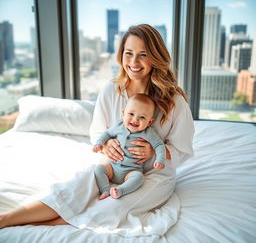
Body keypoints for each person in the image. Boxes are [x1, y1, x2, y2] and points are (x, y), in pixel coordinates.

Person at [0, 24, 194, 229]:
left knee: (114, 206)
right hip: (114, 165)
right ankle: (6, 220)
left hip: (154, 175)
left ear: (156, 57)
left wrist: (154, 152)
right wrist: (107, 144)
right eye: (129, 53)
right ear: (121, 55)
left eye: (143, 55)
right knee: (73, 189)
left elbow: (184, 149)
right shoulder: (111, 90)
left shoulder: (174, 100)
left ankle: (45, 225)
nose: (134, 62)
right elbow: (97, 132)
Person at [93, 93, 165, 200]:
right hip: (112, 166)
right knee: (99, 168)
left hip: (131, 170)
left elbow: (159, 145)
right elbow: (107, 133)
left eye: (142, 117)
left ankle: (120, 190)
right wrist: (99, 143)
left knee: (139, 178)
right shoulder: (119, 126)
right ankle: (105, 190)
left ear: (150, 122)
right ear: (123, 113)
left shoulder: (148, 133)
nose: (135, 120)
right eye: (131, 114)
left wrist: (160, 159)